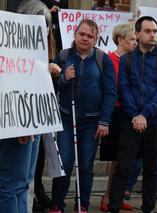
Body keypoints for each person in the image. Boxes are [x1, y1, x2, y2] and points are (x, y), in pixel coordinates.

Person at [107, 16, 157, 213]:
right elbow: (124, 89)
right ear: (137, 34)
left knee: (152, 170)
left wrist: (144, 114)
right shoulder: (127, 60)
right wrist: (136, 115)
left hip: (156, 122)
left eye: (155, 31)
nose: (153, 35)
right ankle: (114, 207)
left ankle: (149, 208)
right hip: (131, 121)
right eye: (148, 31)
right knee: (123, 168)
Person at [49, 19, 117, 213]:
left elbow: (111, 92)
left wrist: (104, 120)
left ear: (96, 39)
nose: (85, 38)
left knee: (86, 165)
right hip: (66, 119)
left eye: (90, 36)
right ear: (75, 34)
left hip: (91, 121)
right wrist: (63, 78)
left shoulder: (103, 59)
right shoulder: (62, 56)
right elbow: (49, 87)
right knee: (65, 163)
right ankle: (57, 204)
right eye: (82, 34)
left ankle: (83, 204)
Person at [0, 0, 61, 212]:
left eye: (47, 25)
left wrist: (47, 69)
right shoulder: (9, 46)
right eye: (41, 24)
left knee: (24, 182)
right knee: (12, 183)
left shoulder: (36, 51)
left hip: (31, 124)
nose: (45, 30)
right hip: (16, 126)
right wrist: (20, 126)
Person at [124, 39, 157, 201]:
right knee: (136, 161)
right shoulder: (132, 60)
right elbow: (125, 88)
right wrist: (138, 115)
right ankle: (128, 188)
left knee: (153, 163)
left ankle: (150, 197)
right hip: (140, 117)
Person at [99, 22, 137, 212]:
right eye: (132, 39)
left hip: (129, 113)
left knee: (125, 160)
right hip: (115, 112)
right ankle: (108, 197)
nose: (135, 43)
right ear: (120, 39)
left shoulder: (134, 60)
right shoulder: (109, 60)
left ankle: (117, 196)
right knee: (116, 159)